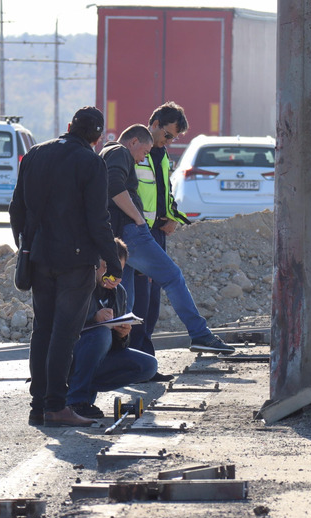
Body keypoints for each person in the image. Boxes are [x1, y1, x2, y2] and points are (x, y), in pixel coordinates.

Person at [9, 106, 124, 428]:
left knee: (42, 330)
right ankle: (57, 406)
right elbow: (98, 219)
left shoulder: (35, 154)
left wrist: (25, 245)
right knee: (64, 334)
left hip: (38, 257)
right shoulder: (91, 162)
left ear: (70, 126)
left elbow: (16, 207)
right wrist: (113, 261)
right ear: (98, 138)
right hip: (76, 262)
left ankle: (38, 406)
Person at [101, 124, 235, 355]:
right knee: (172, 277)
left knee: (126, 300)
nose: (143, 159)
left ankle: (120, 353)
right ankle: (200, 335)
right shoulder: (119, 152)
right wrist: (139, 220)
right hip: (131, 232)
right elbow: (114, 186)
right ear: (133, 142)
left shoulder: (106, 152)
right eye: (144, 152)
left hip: (119, 234)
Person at [127, 102, 193, 378]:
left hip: (155, 234)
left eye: (174, 138)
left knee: (151, 303)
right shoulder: (132, 152)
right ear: (154, 124)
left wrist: (173, 216)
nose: (169, 141)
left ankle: (145, 363)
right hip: (137, 235)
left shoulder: (161, 154)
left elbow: (164, 193)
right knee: (138, 302)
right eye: (167, 135)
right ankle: (136, 364)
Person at [66, 238, 158, 419]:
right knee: (100, 334)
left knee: (148, 365)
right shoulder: (78, 285)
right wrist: (93, 317)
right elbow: (63, 324)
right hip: (69, 357)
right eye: (106, 269)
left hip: (99, 356)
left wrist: (122, 335)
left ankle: (82, 389)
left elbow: (117, 346)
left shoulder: (119, 292)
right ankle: (76, 400)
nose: (111, 276)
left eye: (117, 271)